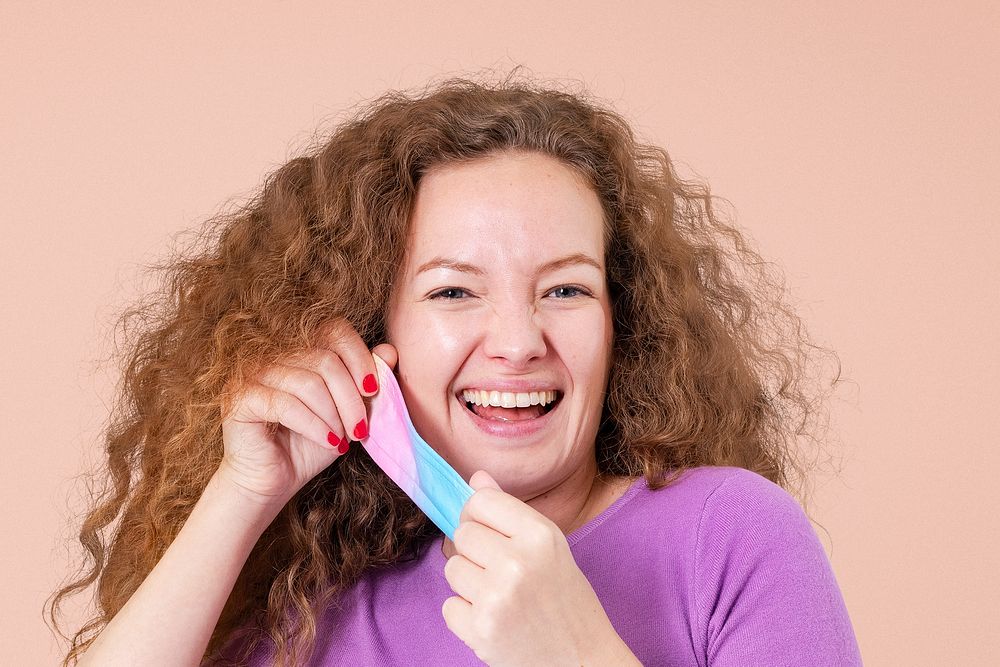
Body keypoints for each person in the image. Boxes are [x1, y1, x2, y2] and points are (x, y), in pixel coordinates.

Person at [48, 73, 863, 666]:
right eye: (453, 289)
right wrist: (241, 495)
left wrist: (577, 657)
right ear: (377, 325)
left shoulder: (730, 537)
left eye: (566, 287)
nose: (516, 341)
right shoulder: (310, 603)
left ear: (624, 321)